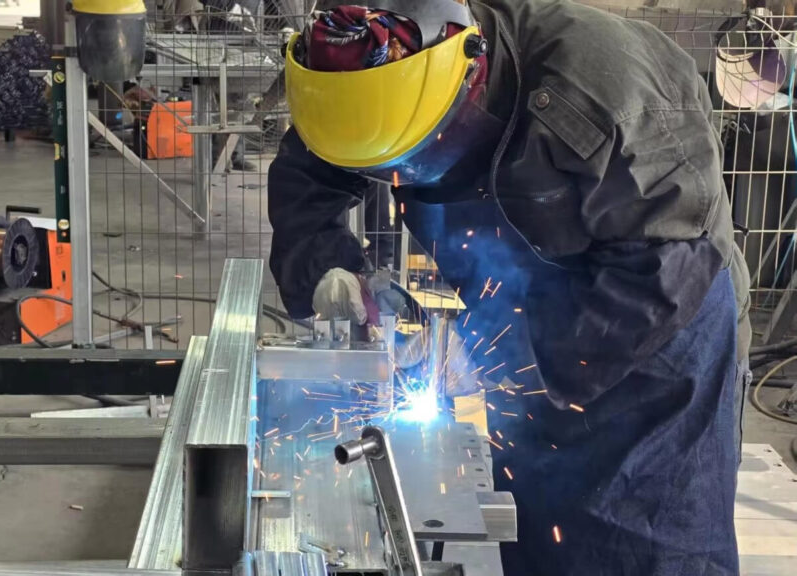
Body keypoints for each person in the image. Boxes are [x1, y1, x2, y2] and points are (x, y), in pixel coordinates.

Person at [267, 1, 752, 574]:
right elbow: (309, 178)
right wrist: (328, 267)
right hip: (528, 306)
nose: (405, 179)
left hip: (656, 338)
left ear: (470, 81)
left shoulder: (600, 90)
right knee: (535, 513)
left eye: (416, 158)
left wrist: (504, 357)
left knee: (647, 546)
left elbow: (665, 268)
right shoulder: (355, 76)